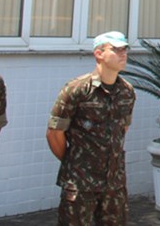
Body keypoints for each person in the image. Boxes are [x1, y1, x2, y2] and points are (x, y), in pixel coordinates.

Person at [46, 31, 135, 225]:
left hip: (114, 183)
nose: (123, 54)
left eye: (125, 49)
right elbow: (54, 134)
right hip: (80, 184)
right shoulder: (77, 89)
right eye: (116, 49)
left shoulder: (126, 91)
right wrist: (75, 162)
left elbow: (123, 129)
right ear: (98, 53)